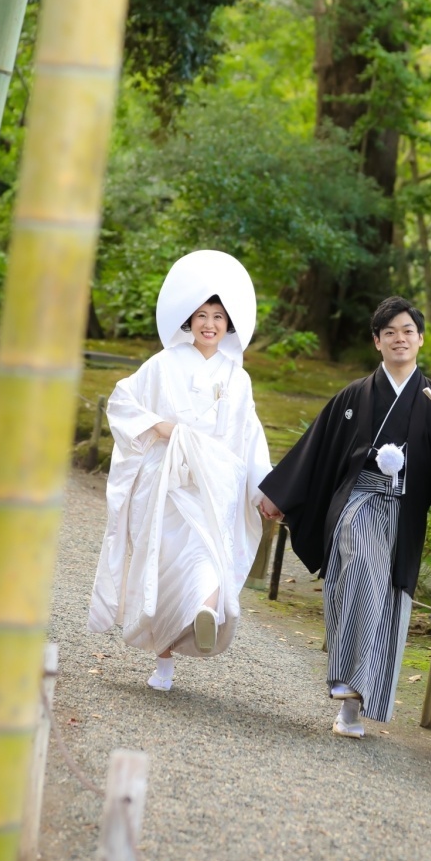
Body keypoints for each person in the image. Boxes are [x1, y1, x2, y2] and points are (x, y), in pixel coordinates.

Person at [259, 296, 431, 738]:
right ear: (377, 343)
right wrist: (279, 493)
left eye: (407, 331)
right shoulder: (355, 395)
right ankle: (347, 684)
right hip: (359, 503)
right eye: (390, 333)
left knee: (390, 600)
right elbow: (317, 447)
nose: (399, 339)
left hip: (404, 515)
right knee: (362, 571)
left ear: (420, 339)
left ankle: (354, 703)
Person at [88, 250, 271, 691]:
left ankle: (206, 610)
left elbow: (250, 438)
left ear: (230, 325)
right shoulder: (163, 363)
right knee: (165, 565)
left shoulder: (237, 378)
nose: (210, 324)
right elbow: (122, 401)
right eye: (202, 315)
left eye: (219, 317)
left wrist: (265, 489)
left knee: (209, 556)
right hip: (169, 484)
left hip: (217, 484)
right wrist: (162, 427)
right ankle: (164, 662)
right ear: (189, 320)